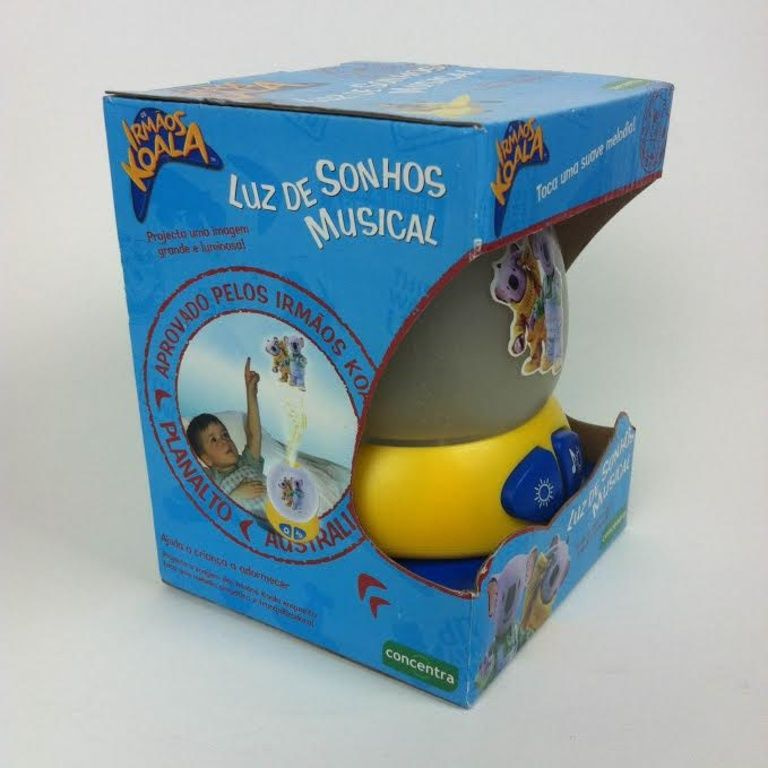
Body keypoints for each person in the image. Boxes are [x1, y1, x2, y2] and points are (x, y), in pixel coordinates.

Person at [185, 358, 266, 517]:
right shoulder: (211, 481)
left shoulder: (247, 463)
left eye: (225, 434)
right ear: (206, 459)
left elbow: (254, 434)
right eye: (213, 440)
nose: (224, 440)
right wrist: (235, 496)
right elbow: (204, 512)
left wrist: (251, 392)